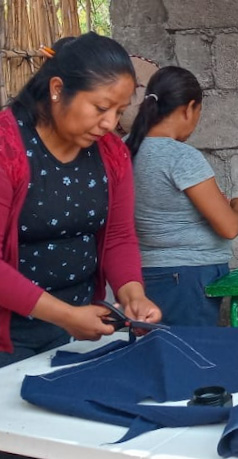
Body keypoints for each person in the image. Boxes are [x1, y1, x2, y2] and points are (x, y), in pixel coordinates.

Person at [0, 32, 162, 367]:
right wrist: (65, 315)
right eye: (101, 108)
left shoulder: (112, 154)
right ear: (57, 89)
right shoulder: (7, 148)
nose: (110, 123)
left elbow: (119, 237)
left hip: (75, 330)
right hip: (9, 336)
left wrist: (133, 295)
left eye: (119, 111)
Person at [125, 66, 238, 327]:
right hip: (186, 278)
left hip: (141, 276)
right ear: (189, 108)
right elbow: (229, 227)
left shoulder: (125, 147)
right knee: (189, 353)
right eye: (198, 113)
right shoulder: (181, 157)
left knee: (158, 354)